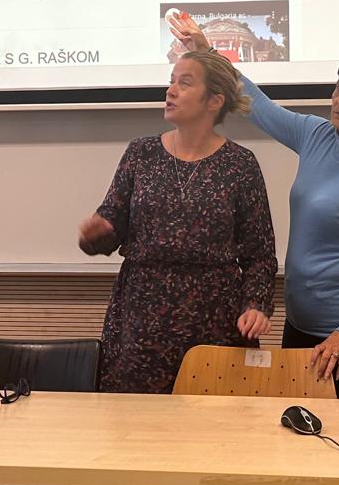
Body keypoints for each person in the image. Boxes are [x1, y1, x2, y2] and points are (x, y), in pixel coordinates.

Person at [171, 15, 339, 399]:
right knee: (297, 431)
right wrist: (207, 51)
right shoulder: (315, 135)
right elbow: (257, 104)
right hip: (300, 328)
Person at [78, 49, 276, 393]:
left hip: (214, 317)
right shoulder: (141, 153)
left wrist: (256, 305)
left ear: (214, 101)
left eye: (184, 83)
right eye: (171, 81)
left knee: (211, 418)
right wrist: (95, 235)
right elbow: (110, 227)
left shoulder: (240, 164)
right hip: (142, 315)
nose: (170, 91)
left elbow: (259, 254)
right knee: (136, 417)